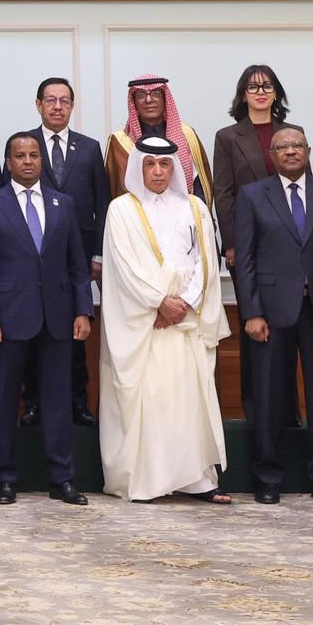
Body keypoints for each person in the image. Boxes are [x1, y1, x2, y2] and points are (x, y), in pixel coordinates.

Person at [98, 135, 231, 502]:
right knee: (152, 401)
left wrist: (183, 303)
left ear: (174, 168)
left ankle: (197, 480)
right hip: (145, 323)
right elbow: (124, 267)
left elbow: (206, 260)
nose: (158, 171)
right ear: (138, 168)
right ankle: (149, 481)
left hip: (185, 320)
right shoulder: (121, 209)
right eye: (150, 164)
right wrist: (159, 302)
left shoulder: (195, 207)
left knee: (189, 402)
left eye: (164, 164)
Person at [232, 125, 313, 506]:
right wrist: (251, 312)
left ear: (308, 150)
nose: (290, 151)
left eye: (297, 145)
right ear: (272, 155)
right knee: (268, 397)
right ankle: (268, 478)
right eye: (282, 147)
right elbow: (245, 261)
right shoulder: (253, 195)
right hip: (270, 313)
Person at [0, 133, 93, 506]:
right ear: (8, 163)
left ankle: (62, 478)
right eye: (20, 156)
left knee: (58, 401)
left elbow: (77, 264)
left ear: (42, 160)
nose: (28, 161)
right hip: (8, 319)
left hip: (57, 317)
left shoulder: (63, 203)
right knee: (5, 402)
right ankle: (4, 479)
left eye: (34, 155)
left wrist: (83, 310)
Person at [213, 65, 302, 431]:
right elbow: (224, 193)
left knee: (290, 327)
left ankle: (289, 412)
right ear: (243, 95)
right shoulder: (228, 137)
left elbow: (303, 185)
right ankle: (258, 412)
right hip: (248, 245)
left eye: (267, 86)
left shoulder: (291, 133)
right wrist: (232, 242)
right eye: (253, 87)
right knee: (255, 329)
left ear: (276, 93)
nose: (260, 92)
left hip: (290, 245)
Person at [20, 76, 105, 430]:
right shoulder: (24, 145)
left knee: (75, 331)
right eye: (50, 100)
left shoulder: (89, 148)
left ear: (72, 105)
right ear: (38, 105)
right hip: (33, 257)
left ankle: (77, 403)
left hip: (78, 260)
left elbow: (102, 204)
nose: (57, 106)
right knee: (33, 331)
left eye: (64, 100)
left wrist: (98, 255)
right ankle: (34, 404)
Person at [104, 75, 212, 206]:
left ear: (165, 98)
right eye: (141, 95)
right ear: (134, 102)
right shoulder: (120, 142)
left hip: (183, 213)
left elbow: (200, 186)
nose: (149, 100)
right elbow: (113, 190)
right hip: (137, 215)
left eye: (156, 93)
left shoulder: (186, 134)